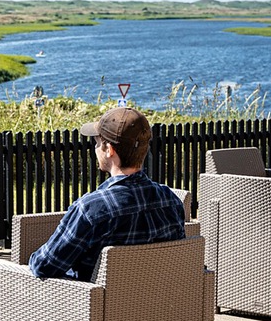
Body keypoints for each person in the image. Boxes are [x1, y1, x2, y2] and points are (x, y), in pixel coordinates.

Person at [28, 107, 186, 281]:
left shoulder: (91, 210)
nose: (95, 148)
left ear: (109, 150)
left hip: (89, 304)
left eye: (96, 143)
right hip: (158, 303)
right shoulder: (171, 200)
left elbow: (43, 266)